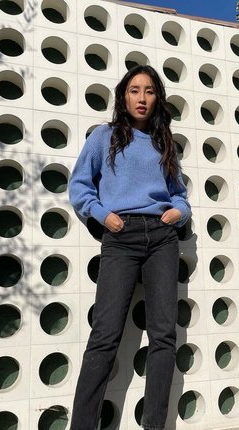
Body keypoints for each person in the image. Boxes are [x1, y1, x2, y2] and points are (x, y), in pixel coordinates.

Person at [68, 65, 191, 430]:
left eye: (149, 91)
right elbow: (79, 186)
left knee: (163, 336)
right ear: (123, 96)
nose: (142, 98)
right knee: (105, 335)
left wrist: (178, 213)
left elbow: (180, 195)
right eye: (134, 90)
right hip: (121, 237)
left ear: (157, 99)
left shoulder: (163, 142)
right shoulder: (104, 136)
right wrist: (103, 216)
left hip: (162, 238)